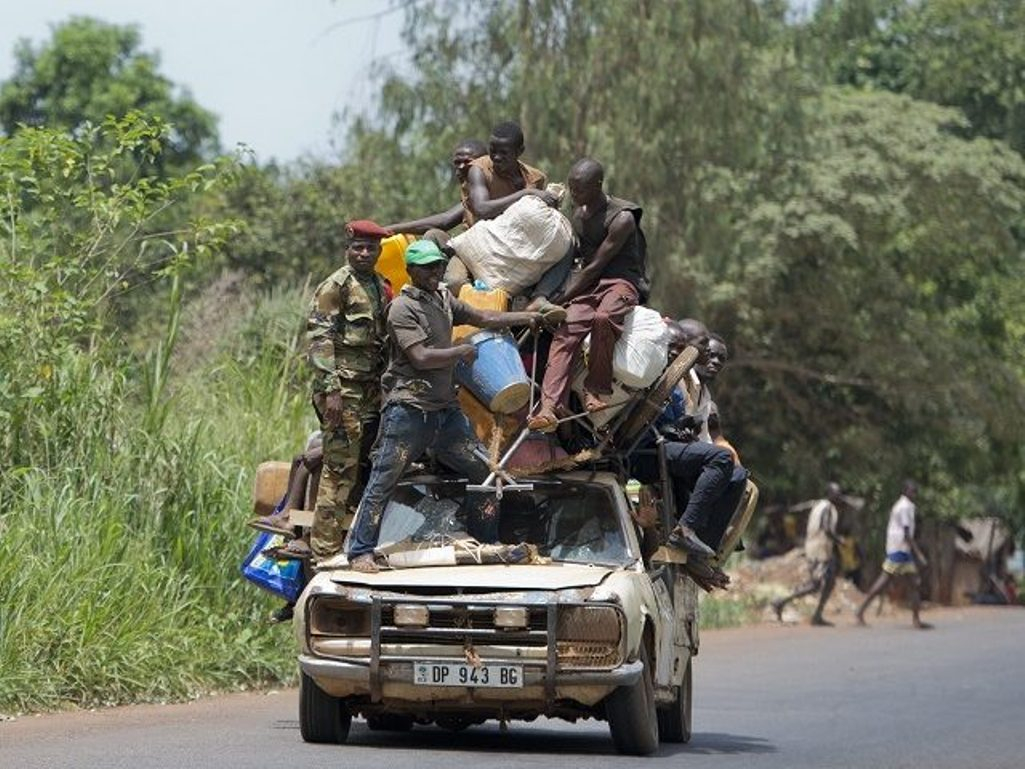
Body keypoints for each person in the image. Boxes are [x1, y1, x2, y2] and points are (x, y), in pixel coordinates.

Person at [345, 239, 561, 573]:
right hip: (410, 410)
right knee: (384, 480)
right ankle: (360, 552)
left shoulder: (443, 298)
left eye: (439, 267)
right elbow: (420, 357)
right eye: (428, 268)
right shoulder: (403, 309)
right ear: (411, 271)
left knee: (484, 472)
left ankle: (484, 545)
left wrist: (528, 318)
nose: (436, 273)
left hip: (445, 413)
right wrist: (458, 352)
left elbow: (485, 316)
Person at [527, 158, 648, 430]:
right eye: (571, 188)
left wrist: (558, 299)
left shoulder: (623, 217)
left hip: (621, 282)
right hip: (592, 284)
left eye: (580, 189)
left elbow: (594, 267)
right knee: (566, 329)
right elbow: (578, 258)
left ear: (598, 185)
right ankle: (548, 408)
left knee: (604, 318)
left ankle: (595, 389)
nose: (574, 194)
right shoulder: (579, 214)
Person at [306, 220, 393, 561]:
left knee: (366, 468)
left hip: (371, 389)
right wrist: (332, 391)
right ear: (348, 248)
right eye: (358, 247)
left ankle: (356, 543)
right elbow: (319, 339)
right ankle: (324, 551)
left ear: (379, 251)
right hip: (343, 390)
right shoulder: (336, 286)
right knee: (339, 469)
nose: (364, 253)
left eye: (370, 248)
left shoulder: (379, 285)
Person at [446, 121, 567, 300]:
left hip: (516, 252)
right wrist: (525, 194)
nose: (496, 157)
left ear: (519, 152)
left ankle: (539, 301)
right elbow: (481, 209)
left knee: (565, 249)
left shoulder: (534, 178)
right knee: (454, 282)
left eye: (503, 153)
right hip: (475, 249)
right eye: (493, 151)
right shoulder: (478, 170)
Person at [855, 480, 932, 629]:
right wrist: (919, 554)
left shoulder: (906, 506)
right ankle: (860, 611)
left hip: (902, 550)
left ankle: (916, 619)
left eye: (915, 491)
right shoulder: (904, 507)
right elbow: (907, 533)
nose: (914, 494)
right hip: (899, 549)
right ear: (905, 491)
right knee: (885, 581)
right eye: (911, 491)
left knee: (913, 582)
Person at [771, 482, 845, 626]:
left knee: (825, 582)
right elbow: (825, 527)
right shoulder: (828, 507)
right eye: (836, 493)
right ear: (829, 493)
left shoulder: (818, 505)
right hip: (820, 550)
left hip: (816, 548)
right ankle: (781, 602)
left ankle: (814, 613)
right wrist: (839, 540)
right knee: (817, 584)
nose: (838, 495)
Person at [384, 139, 488, 235]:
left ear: (484, 162)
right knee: (433, 236)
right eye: (457, 162)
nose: (461, 167)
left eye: (467, 162)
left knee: (432, 236)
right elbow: (445, 219)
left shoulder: (494, 192)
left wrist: (391, 229)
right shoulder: (468, 194)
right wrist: (389, 230)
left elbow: (445, 221)